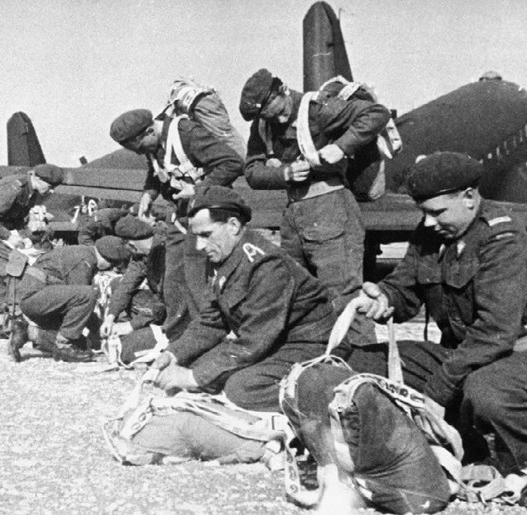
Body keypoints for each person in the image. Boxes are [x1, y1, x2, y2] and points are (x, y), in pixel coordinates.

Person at [354, 152, 527, 508]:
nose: (427, 221)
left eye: (437, 212)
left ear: (469, 197)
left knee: (486, 389)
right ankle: (460, 446)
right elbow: (405, 289)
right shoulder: (430, 235)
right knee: (364, 362)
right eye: (423, 211)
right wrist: (385, 299)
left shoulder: (504, 239)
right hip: (463, 356)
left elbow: (495, 333)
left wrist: (437, 393)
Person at [150, 186, 347, 412]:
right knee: (201, 367)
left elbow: (255, 339)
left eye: (206, 234)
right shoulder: (224, 256)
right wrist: (174, 353)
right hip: (275, 341)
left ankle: (332, 391)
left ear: (233, 225)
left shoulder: (266, 265)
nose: (200, 246)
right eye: (196, 236)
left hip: (310, 346)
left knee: (241, 389)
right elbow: (211, 322)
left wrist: (193, 377)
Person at [239, 68, 391, 340]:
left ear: (283, 89)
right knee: (299, 295)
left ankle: (363, 368)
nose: (279, 119)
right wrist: (283, 174)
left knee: (344, 295)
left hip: (330, 206)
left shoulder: (317, 109)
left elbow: (377, 114)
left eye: (278, 110)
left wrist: (342, 147)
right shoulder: (263, 124)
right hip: (294, 214)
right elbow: (251, 172)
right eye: (268, 116)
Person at [9, 235, 131, 363]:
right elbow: (83, 301)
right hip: (34, 298)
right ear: (106, 258)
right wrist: (99, 328)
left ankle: (27, 332)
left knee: (83, 346)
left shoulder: (85, 253)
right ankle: (64, 346)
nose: (111, 269)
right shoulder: (84, 262)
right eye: (113, 264)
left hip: (39, 297)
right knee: (88, 294)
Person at [0, 164, 64, 339]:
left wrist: (24, 235)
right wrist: (9, 237)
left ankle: (2, 325)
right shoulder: (15, 188)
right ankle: (15, 321)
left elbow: (14, 217)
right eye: (51, 185)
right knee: (16, 269)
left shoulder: (31, 191)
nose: (52, 191)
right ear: (38, 178)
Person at [109, 108, 243, 220]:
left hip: (215, 212)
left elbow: (233, 163)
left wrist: (197, 190)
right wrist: (148, 195)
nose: (140, 153)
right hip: (183, 213)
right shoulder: (152, 146)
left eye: (140, 148)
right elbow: (157, 172)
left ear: (150, 132)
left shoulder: (187, 134)